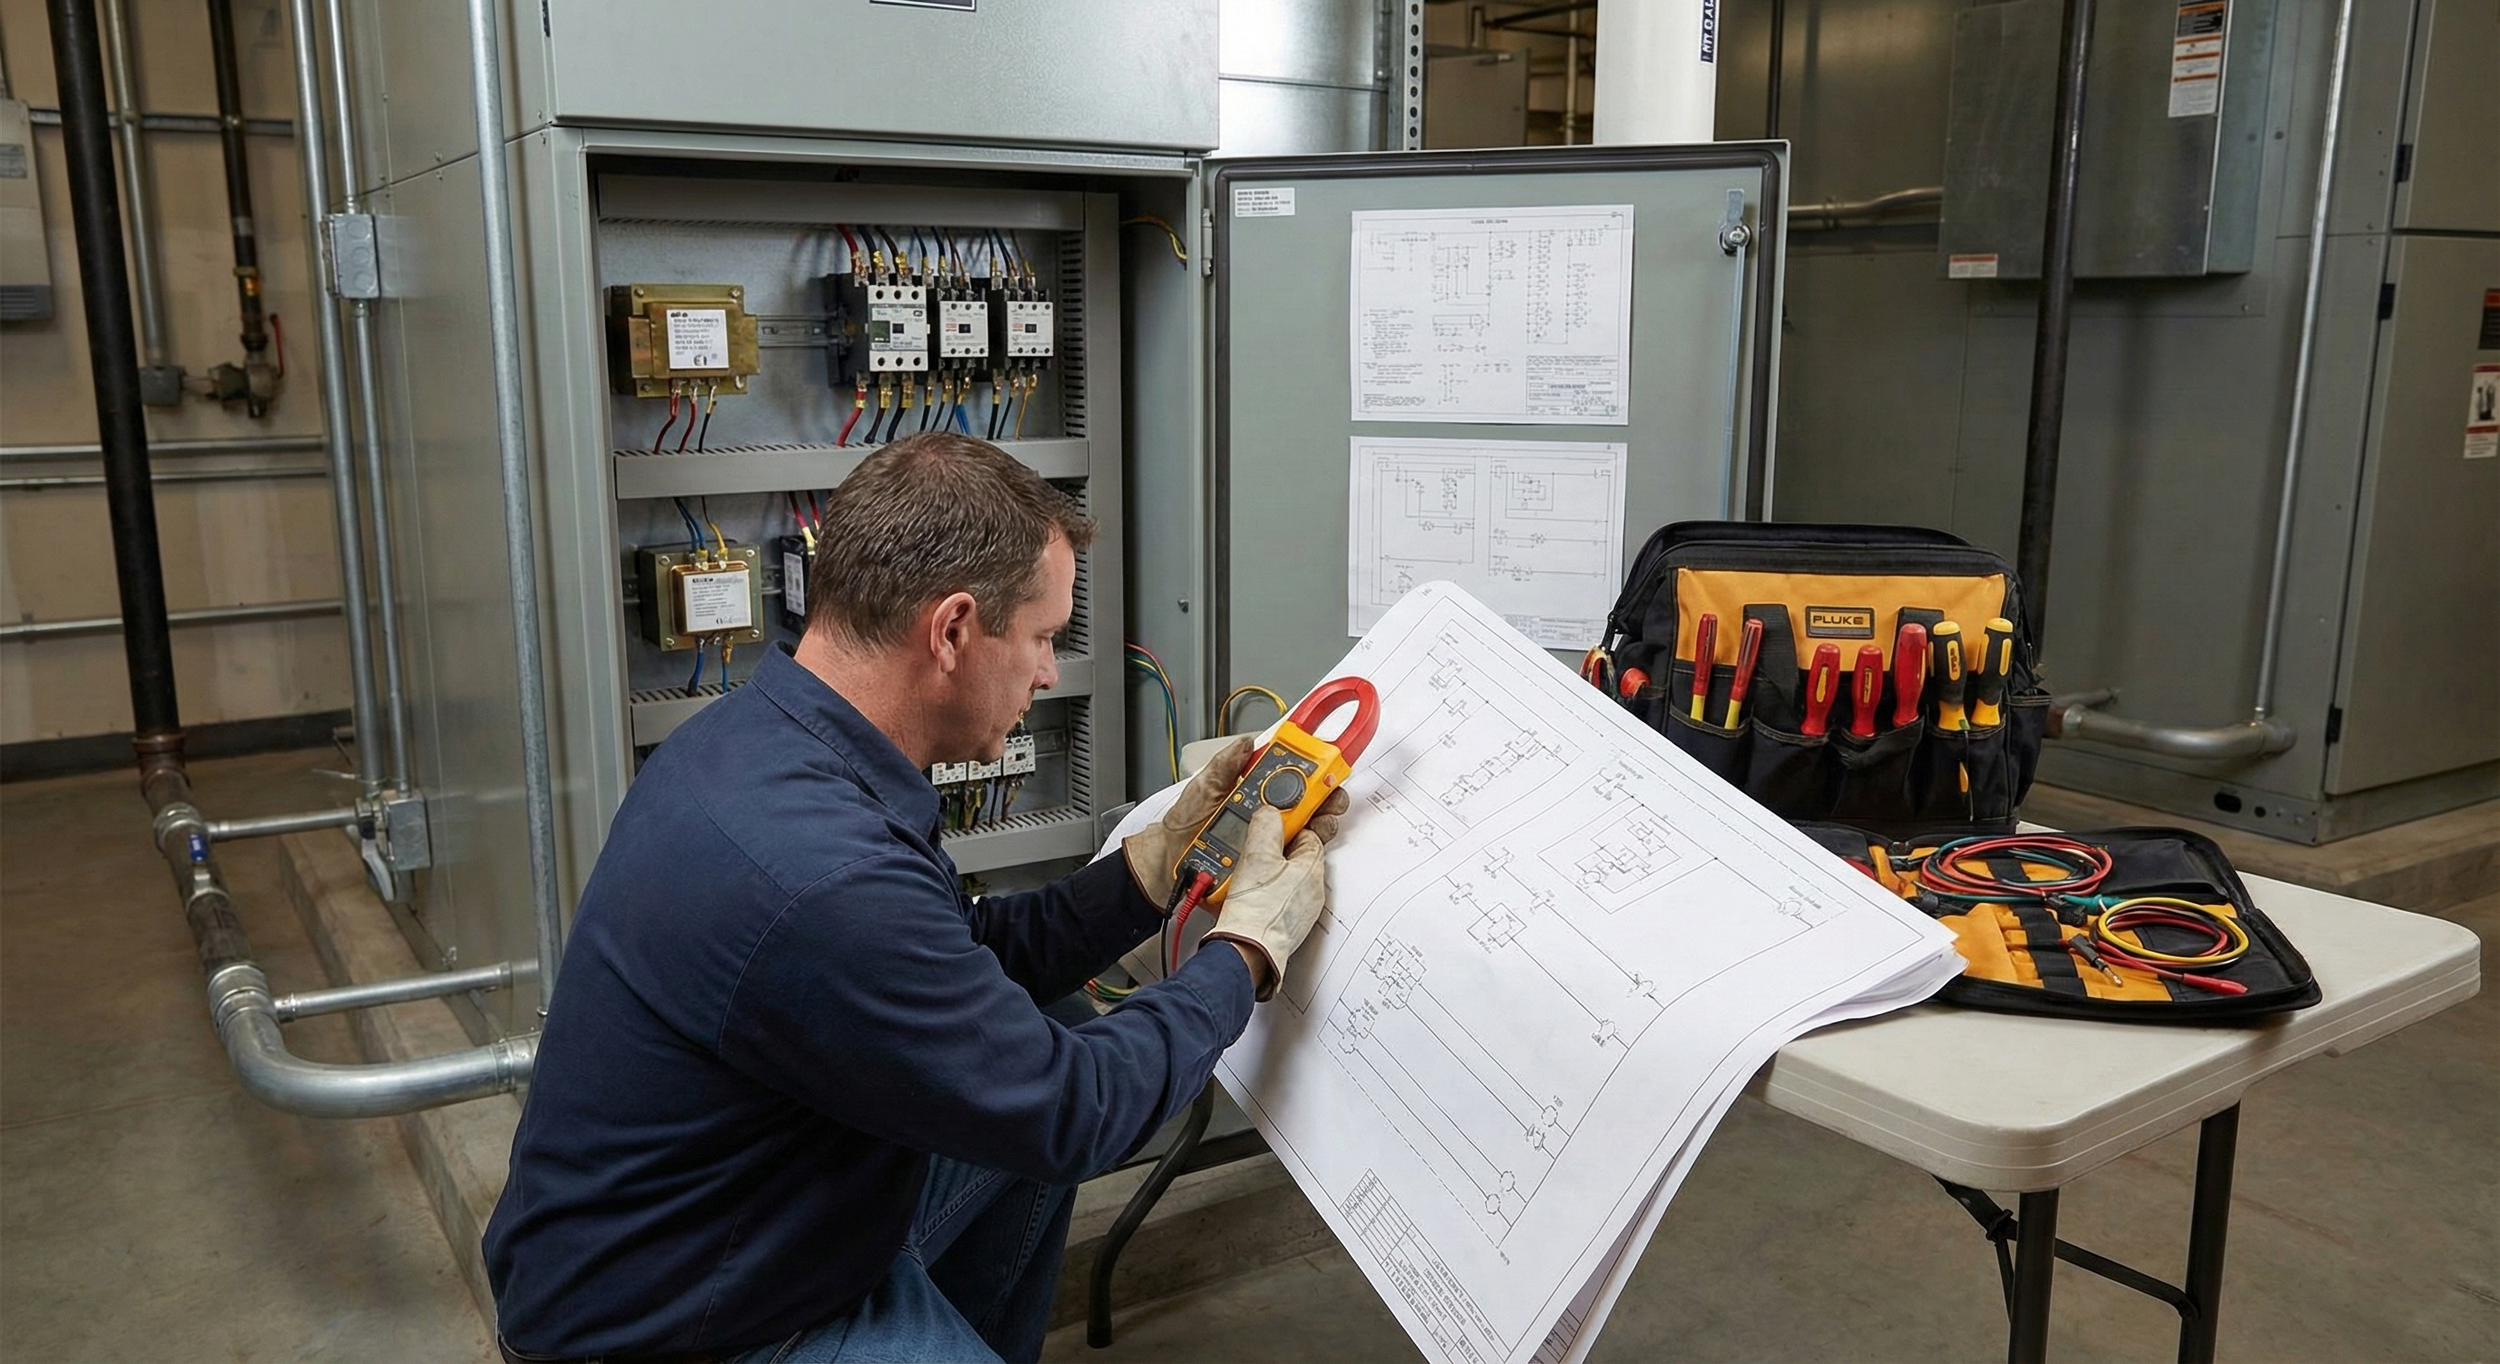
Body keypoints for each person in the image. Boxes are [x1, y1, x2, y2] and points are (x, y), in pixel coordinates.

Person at [483, 432, 1345, 1364]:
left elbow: (955, 956)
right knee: (1042, 1089)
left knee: (1041, 1016)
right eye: (1045, 637)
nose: (1051, 672)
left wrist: (1149, 869)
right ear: (952, 630)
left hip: (738, 1214)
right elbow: (1071, 1111)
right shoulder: (824, 874)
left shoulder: (766, 741)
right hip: (681, 1322)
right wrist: (1245, 952)